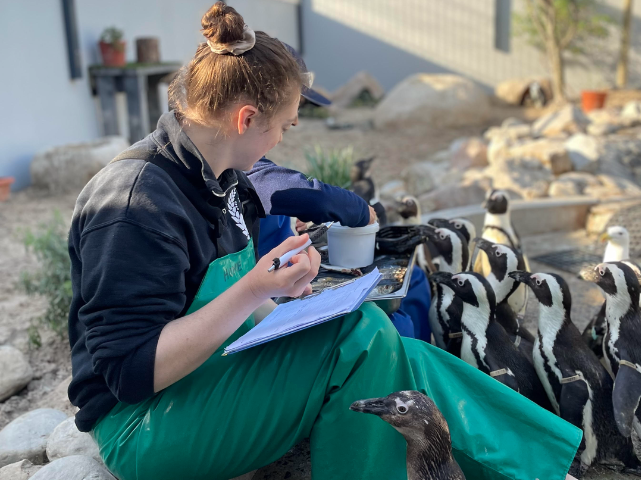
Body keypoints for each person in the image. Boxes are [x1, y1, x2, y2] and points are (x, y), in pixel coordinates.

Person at [67, 3, 581, 480]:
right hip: (145, 425)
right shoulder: (135, 207)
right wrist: (252, 290)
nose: (282, 142)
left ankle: (549, 469)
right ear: (246, 118)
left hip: (205, 378)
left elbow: (215, 305)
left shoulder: (220, 178)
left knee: (403, 356)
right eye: (284, 127)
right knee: (358, 339)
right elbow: (130, 374)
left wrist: (285, 294)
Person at [247, 43, 427, 340]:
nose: (296, 120)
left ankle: (425, 364)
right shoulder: (237, 164)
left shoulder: (252, 154)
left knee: (415, 279)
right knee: (392, 323)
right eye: (294, 108)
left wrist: (299, 227)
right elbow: (277, 185)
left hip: (295, 264)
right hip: (277, 285)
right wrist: (355, 208)